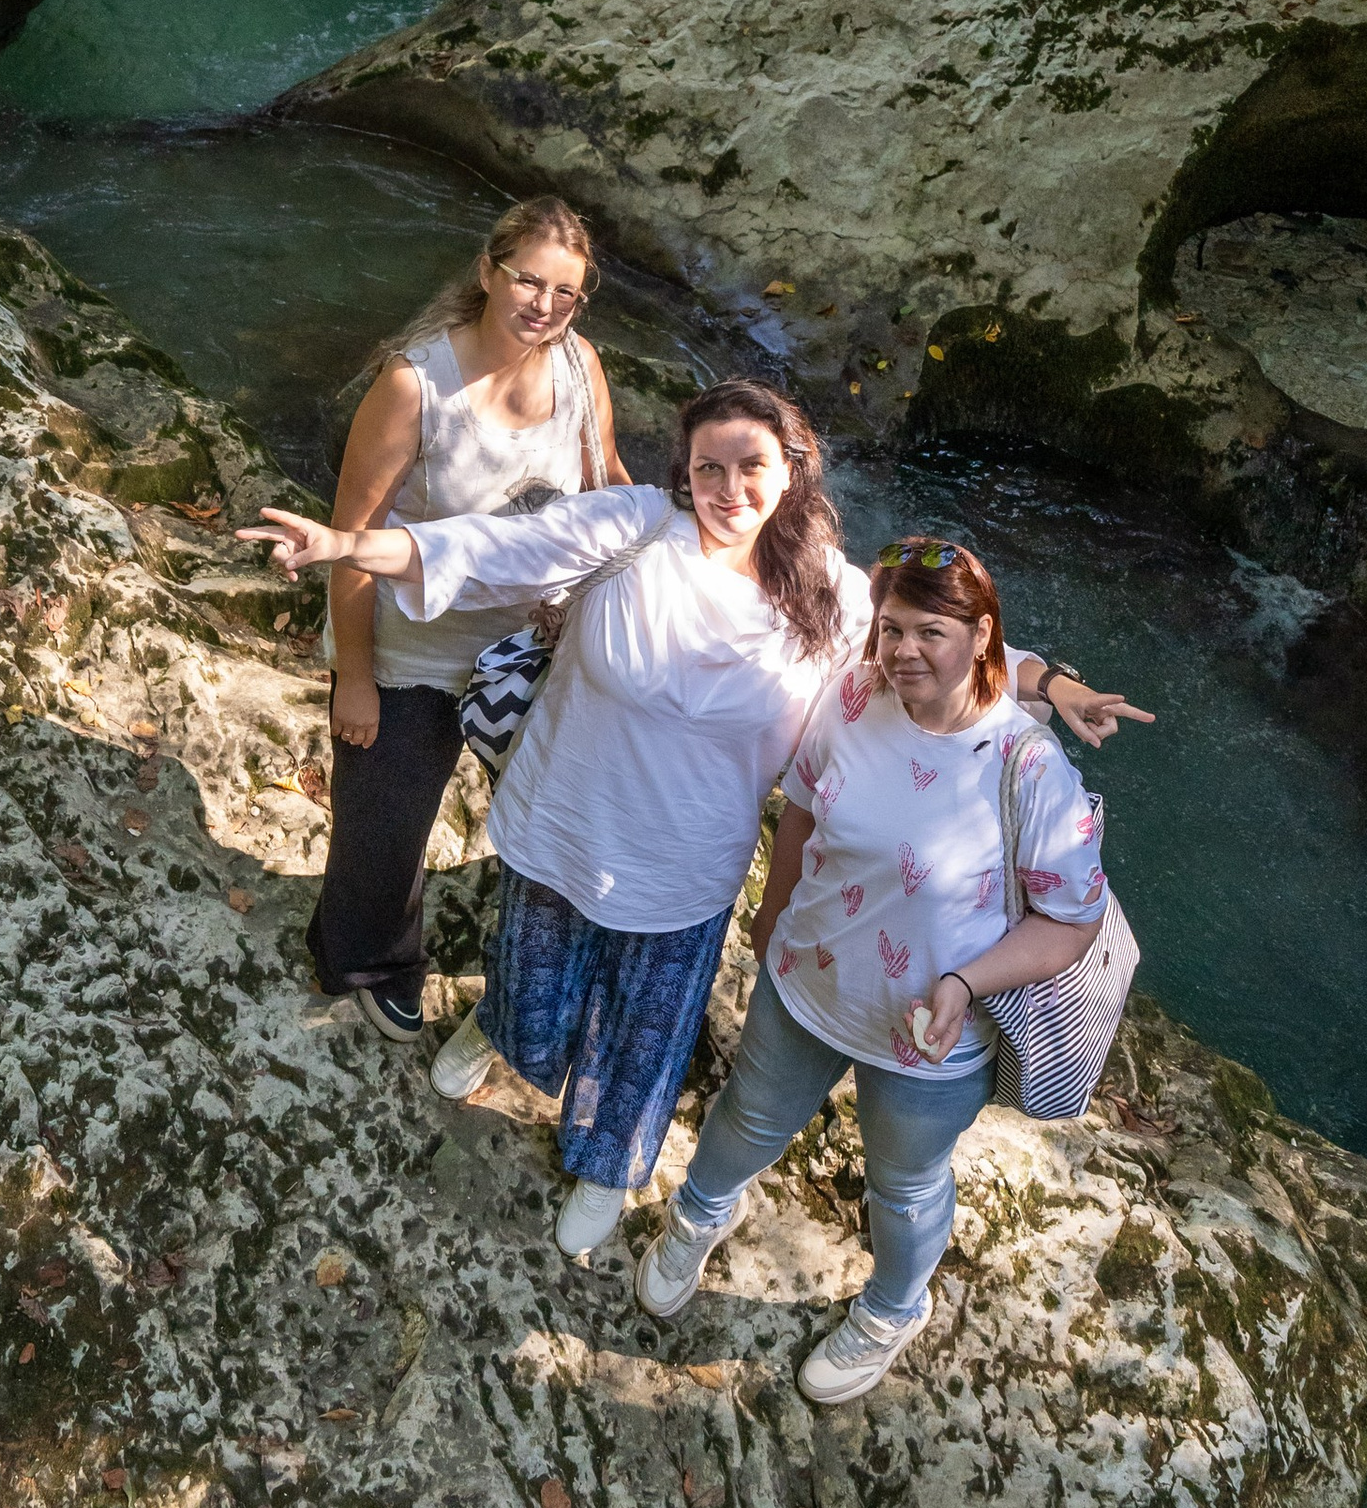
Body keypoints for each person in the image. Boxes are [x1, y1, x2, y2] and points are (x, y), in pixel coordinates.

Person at [243, 395, 1148, 1260]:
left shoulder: (828, 592)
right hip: (571, 814)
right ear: (684, 472)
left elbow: (948, 637)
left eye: (751, 466)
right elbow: (499, 548)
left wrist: (1056, 685)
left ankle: (607, 1167)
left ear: (791, 471)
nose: (728, 489)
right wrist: (346, 544)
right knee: (529, 964)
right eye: (708, 467)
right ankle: (505, 1028)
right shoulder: (635, 527)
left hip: (688, 856)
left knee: (648, 1029)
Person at [633, 535, 1123, 1405]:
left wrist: (966, 985)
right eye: (891, 628)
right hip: (811, 980)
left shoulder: (1025, 764)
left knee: (901, 1184)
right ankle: (699, 1216)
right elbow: (803, 806)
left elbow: (1072, 920)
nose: (903, 651)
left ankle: (894, 1306)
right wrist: (774, 910)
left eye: (930, 632)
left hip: (931, 1032)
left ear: (982, 639)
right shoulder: (856, 694)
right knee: (749, 1114)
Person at [307, 195, 625, 1048]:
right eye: (529, 282)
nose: (544, 307)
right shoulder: (416, 386)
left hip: (525, 652)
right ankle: (372, 960)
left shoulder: (578, 368)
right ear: (488, 271)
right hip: (411, 652)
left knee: (563, 815)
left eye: (566, 293)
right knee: (386, 831)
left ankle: (539, 969)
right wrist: (359, 679)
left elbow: (608, 490)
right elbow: (353, 541)